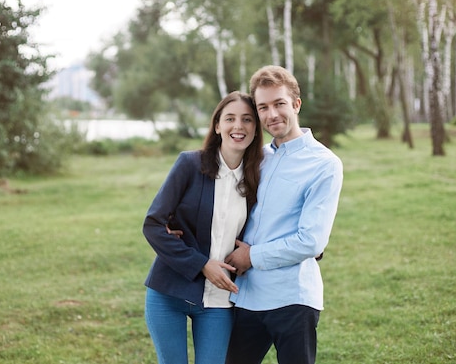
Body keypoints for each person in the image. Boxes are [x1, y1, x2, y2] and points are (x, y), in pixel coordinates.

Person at [225, 65, 343, 364]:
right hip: (246, 296)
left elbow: (311, 242)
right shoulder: (255, 157)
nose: (272, 114)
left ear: (296, 104)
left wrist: (251, 257)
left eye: (279, 103)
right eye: (263, 107)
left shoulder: (324, 163)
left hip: (293, 299)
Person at [143, 91, 264, 364]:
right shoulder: (190, 164)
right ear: (217, 125)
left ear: (256, 129)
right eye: (230, 118)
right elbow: (153, 224)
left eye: (247, 120)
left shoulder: (258, 178)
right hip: (168, 292)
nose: (238, 126)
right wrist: (201, 263)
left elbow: (272, 223)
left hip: (220, 301)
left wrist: (312, 248)